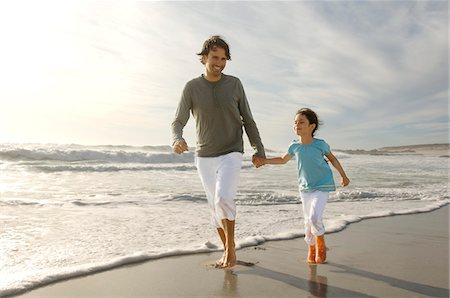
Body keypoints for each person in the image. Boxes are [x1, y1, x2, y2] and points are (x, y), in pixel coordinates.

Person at [171, 35, 266, 268]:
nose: (220, 63)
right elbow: (178, 122)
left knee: (224, 198)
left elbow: (248, 120)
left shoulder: (234, 84)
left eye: (224, 59)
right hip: (204, 155)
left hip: (232, 150)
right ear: (204, 58)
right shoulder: (192, 87)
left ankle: (231, 250)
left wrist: (258, 149)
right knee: (214, 206)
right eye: (215, 57)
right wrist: (177, 140)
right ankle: (227, 250)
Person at [254, 108, 349, 264]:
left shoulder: (320, 144)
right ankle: (311, 248)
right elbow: (283, 160)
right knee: (307, 222)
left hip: (322, 185)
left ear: (311, 126)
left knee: (314, 217)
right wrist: (264, 161)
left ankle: (321, 245)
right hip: (305, 188)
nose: (297, 125)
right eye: (295, 122)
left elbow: (333, 159)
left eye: (301, 122)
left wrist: (344, 176)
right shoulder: (294, 146)